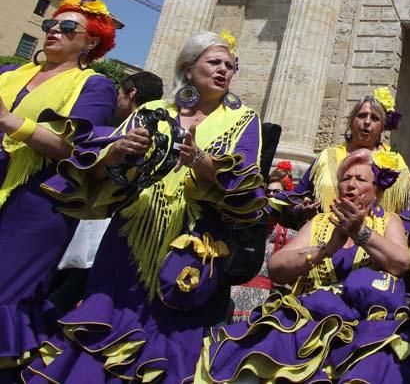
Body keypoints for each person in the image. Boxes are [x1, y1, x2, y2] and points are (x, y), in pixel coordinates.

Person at [23, 31, 266, 383]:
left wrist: (199, 160)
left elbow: (245, 181)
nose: (223, 70)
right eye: (214, 62)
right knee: (107, 324)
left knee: (170, 337)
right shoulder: (153, 111)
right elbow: (100, 167)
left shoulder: (245, 120)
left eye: (230, 66)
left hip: (193, 244)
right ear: (188, 66)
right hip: (129, 237)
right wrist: (122, 148)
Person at [199, 148, 410, 382]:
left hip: (367, 327)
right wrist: (325, 250)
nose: (351, 184)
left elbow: (401, 263)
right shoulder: (320, 222)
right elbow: (277, 268)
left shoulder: (388, 221)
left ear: (376, 190)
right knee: (257, 358)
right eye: (345, 179)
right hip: (311, 319)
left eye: (361, 179)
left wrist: (360, 232)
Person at [0, 0, 117, 378]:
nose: (54, 31)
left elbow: (75, 149)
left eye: (68, 28)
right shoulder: (8, 74)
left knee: (6, 292)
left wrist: (11, 122)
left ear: (91, 42)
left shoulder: (94, 86)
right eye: (51, 25)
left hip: (36, 201)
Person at [48, 70, 165, 315]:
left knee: (65, 288)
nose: (115, 101)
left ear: (132, 93)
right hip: (119, 230)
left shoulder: (124, 129)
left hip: (96, 224)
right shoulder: (161, 131)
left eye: (118, 94)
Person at [280, 88, 410, 225]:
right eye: (362, 115)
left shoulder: (396, 162)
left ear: (382, 127)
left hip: (375, 240)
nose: (367, 122)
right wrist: (301, 209)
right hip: (327, 237)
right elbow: (299, 195)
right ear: (351, 121)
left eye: (374, 118)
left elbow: (408, 210)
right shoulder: (326, 157)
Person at [227, 164, 297, 322]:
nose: (271, 196)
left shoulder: (289, 236)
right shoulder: (245, 226)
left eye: (276, 192)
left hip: (263, 303)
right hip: (232, 297)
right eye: (269, 192)